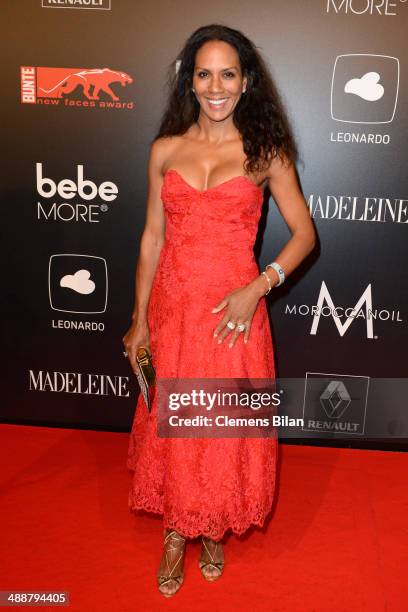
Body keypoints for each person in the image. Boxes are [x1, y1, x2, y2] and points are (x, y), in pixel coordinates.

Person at [123, 23, 316, 598]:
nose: (215, 86)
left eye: (227, 73)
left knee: (221, 427)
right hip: (173, 309)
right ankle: (178, 532)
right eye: (203, 73)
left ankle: (211, 529)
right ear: (190, 80)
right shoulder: (165, 150)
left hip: (232, 314)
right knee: (177, 429)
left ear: (245, 81)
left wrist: (258, 288)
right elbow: (151, 239)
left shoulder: (265, 151)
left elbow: (304, 234)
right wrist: (138, 320)